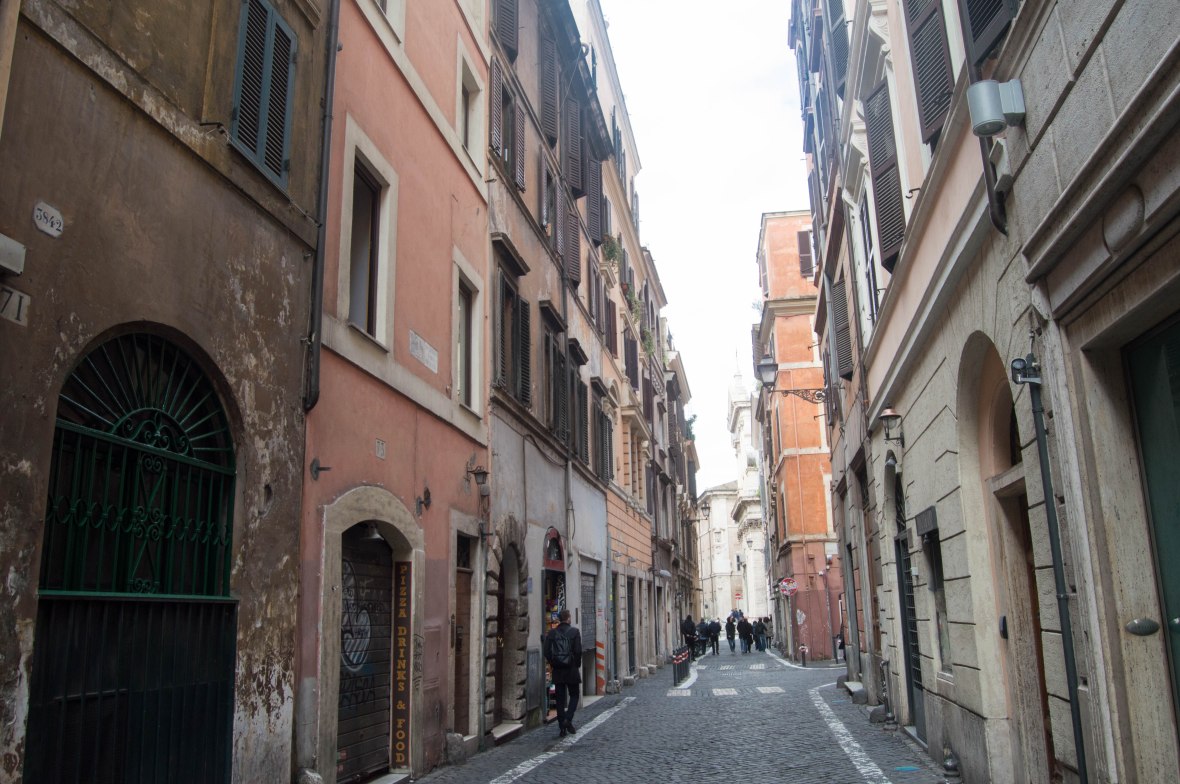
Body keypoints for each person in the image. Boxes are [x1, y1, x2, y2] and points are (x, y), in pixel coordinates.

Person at [545, 609, 582, 737]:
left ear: (559, 619)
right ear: (569, 618)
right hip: (571, 669)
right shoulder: (574, 632)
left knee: (560, 700)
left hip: (558, 670)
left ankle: (562, 728)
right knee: (575, 695)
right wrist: (576, 664)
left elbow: (547, 651)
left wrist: (553, 663)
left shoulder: (552, 633)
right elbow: (578, 651)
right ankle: (568, 719)